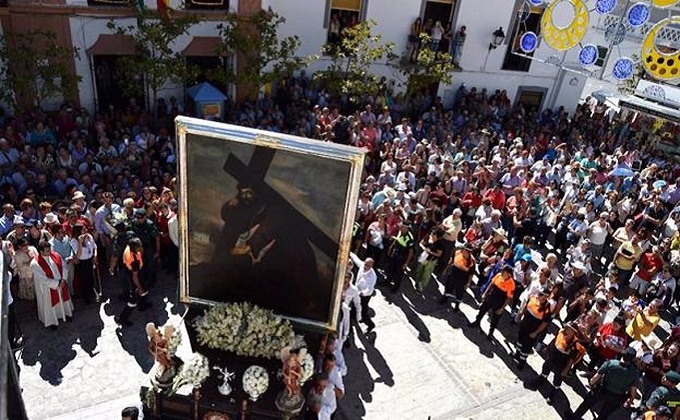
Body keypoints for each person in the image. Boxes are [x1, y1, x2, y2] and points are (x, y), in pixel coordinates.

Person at [571, 348, 641, 420]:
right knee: (604, 414)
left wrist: (591, 383)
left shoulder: (611, 363)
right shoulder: (635, 373)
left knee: (586, 404)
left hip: (602, 390)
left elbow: (596, 377)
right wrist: (630, 401)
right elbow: (633, 392)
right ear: (633, 359)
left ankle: (574, 417)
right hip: (616, 396)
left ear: (623, 354)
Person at [30, 240, 73, 329]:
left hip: (61, 284)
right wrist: (57, 284)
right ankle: (52, 322)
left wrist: (64, 279)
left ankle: (66, 314)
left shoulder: (55, 255)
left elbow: (64, 266)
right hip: (48, 289)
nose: (50, 252)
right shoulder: (35, 263)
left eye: (50, 249)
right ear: (41, 252)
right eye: (47, 251)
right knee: (49, 306)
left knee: (63, 300)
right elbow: (42, 279)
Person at [467, 264, 515, 340]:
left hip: (500, 301)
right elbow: (491, 284)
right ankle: (477, 322)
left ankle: (491, 332)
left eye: (504, 271)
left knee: (495, 318)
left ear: (509, 274)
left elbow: (509, 298)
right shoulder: (499, 275)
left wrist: (502, 308)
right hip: (491, 296)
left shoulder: (511, 284)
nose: (502, 272)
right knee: (482, 310)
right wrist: (485, 293)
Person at [114, 237, 151, 327]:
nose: (142, 248)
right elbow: (135, 277)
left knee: (144, 291)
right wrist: (139, 288)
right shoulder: (134, 260)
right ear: (135, 248)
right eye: (140, 247)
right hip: (134, 279)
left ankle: (142, 305)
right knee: (132, 301)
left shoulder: (128, 248)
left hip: (130, 275)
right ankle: (122, 319)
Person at [513, 287, 551, 369]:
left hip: (533, 330)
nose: (543, 297)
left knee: (527, 346)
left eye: (546, 296)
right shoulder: (532, 298)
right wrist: (520, 315)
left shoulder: (547, 308)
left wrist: (536, 332)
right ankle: (517, 354)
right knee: (520, 340)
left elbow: (545, 323)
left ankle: (522, 362)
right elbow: (525, 306)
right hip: (524, 324)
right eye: (542, 295)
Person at [439, 243, 476, 311]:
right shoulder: (457, 252)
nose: (465, 251)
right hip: (453, 273)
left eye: (468, 251)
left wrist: (468, 283)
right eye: (465, 249)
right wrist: (445, 269)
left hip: (462, 278)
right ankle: (445, 298)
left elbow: (471, 273)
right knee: (448, 286)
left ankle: (457, 305)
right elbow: (451, 260)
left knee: (459, 292)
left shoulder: (472, 261)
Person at [350, 252, 376, 333]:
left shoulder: (372, 276)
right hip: (357, 291)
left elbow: (369, 290)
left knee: (363, 312)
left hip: (364, 296)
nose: (365, 266)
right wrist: (350, 253)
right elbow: (355, 259)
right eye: (365, 264)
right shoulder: (362, 265)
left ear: (371, 266)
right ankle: (354, 317)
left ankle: (370, 325)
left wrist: (361, 293)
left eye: (368, 265)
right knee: (354, 305)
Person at [385, 221, 414, 292]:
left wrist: (406, 263)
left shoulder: (409, 238)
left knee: (398, 274)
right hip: (395, 253)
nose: (399, 227)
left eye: (401, 226)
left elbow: (411, 252)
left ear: (406, 228)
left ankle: (395, 287)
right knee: (391, 269)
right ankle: (387, 282)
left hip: (402, 258)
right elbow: (397, 240)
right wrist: (391, 248)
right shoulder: (400, 232)